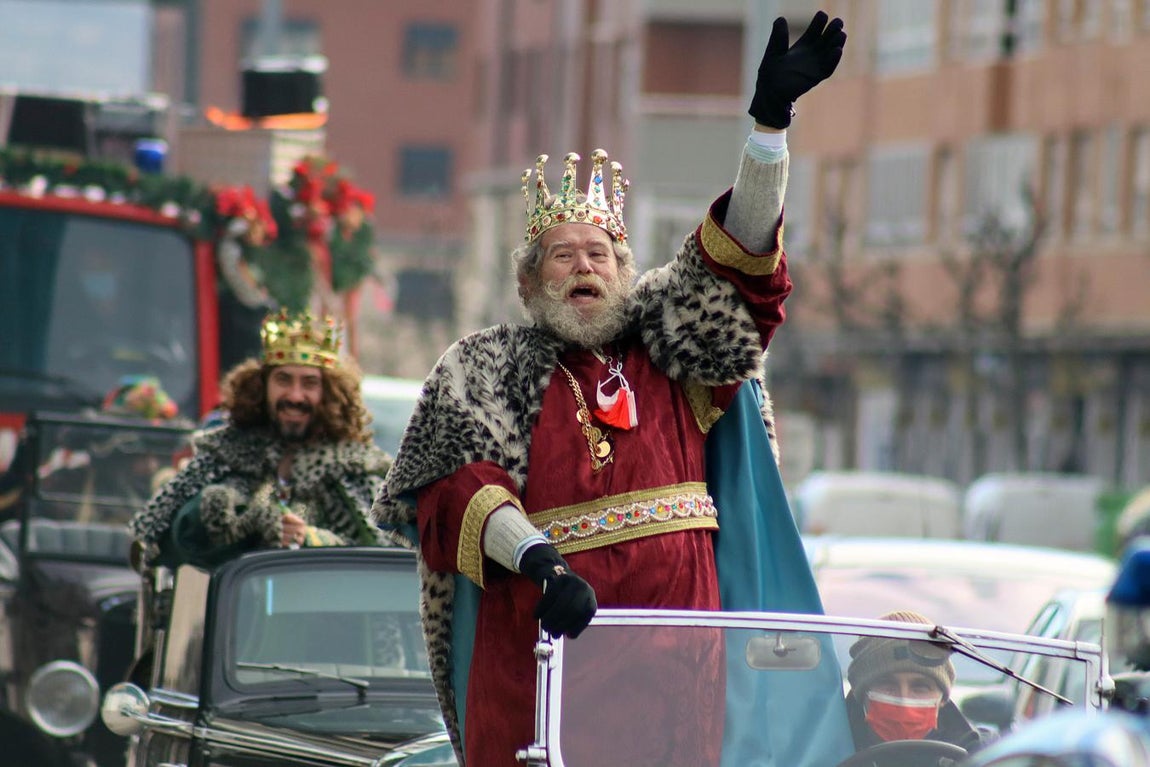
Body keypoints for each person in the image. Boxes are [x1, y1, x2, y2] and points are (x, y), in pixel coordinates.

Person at [373, 10, 846, 766]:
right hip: (544, 665)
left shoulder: (671, 349)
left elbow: (741, 266)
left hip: (677, 690)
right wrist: (541, 562)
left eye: (598, 252)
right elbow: (461, 491)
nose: (583, 267)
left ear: (625, 272)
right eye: (561, 255)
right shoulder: (482, 367)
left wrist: (768, 130)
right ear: (529, 281)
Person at [128, 309, 388, 568]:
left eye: (309, 384)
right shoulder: (224, 453)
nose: (295, 396)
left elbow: (383, 558)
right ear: (262, 387)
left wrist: (311, 539)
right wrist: (231, 520)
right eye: (283, 380)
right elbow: (162, 544)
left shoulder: (355, 467)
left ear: (331, 394)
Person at [845, 610, 984, 752]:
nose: (903, 700)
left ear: (942, 699)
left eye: (920, 687)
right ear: (861, 694)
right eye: (888, 685)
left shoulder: (979, 755)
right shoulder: (827, 747)